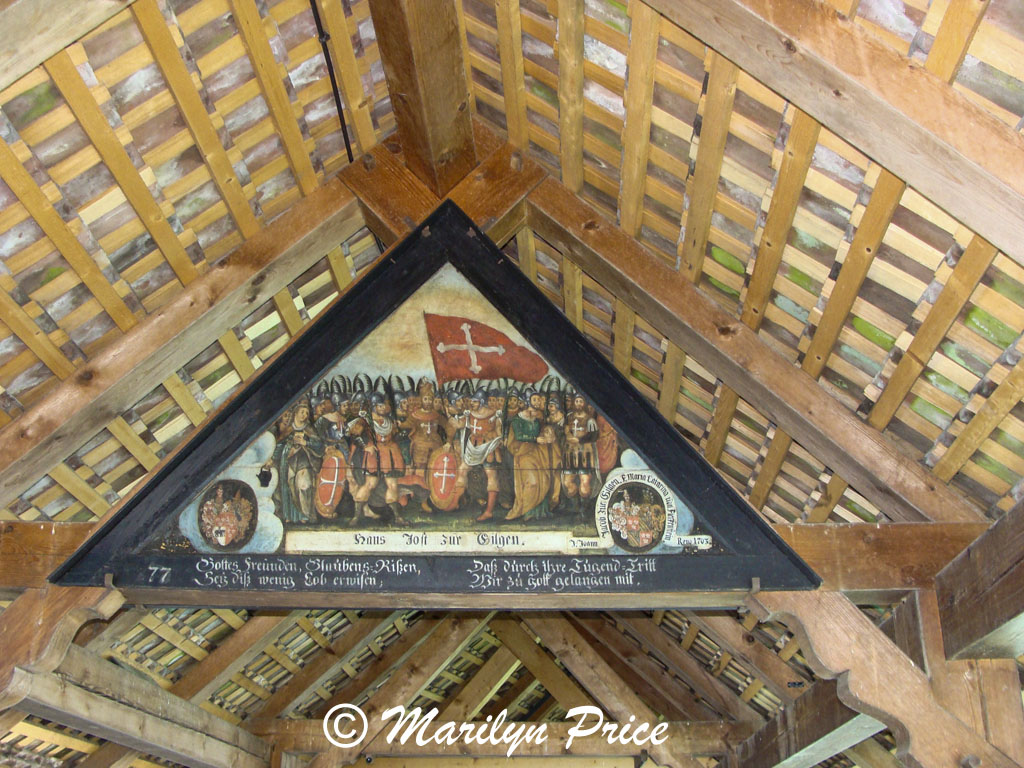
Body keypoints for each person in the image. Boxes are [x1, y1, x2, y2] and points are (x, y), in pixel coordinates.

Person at [263, 401, 324, 524]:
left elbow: (319, 445)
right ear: (295, 413)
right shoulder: (289, 429)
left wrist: (305, 443)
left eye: (306, 413)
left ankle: (304, 515)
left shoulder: (309, 429)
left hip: (303, 462)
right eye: (302, 412)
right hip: (287, 461)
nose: (304, 415)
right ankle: (289, 516)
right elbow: (279, 444)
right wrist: (272, 457)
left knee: (303, 486)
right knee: (287, 486)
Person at [505, 389, 561, 520]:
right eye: (534, 399)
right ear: (527, 401)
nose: (538, 402)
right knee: (532, 482)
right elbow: (519, 436)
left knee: (544, 479)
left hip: (537, 453)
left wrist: (548, 436)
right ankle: (526, 510)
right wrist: (535, 439)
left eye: (538, 400)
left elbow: (542, 431)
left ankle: (539, 512)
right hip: (523, 453)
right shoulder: (517, 419)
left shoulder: (536, 420)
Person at [449, 388, 503, 521]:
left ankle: (489, 511)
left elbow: (499, 434)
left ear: (482, 402)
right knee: (462, 470)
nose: (471, 404)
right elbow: (459, 425)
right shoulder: (470, 414)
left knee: (491, 476)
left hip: (487, 448)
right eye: (472, 401)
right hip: (473, 447)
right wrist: (449, 415)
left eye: (475, 401)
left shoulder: (493, 415)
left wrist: (494, 438)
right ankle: (455, 502)